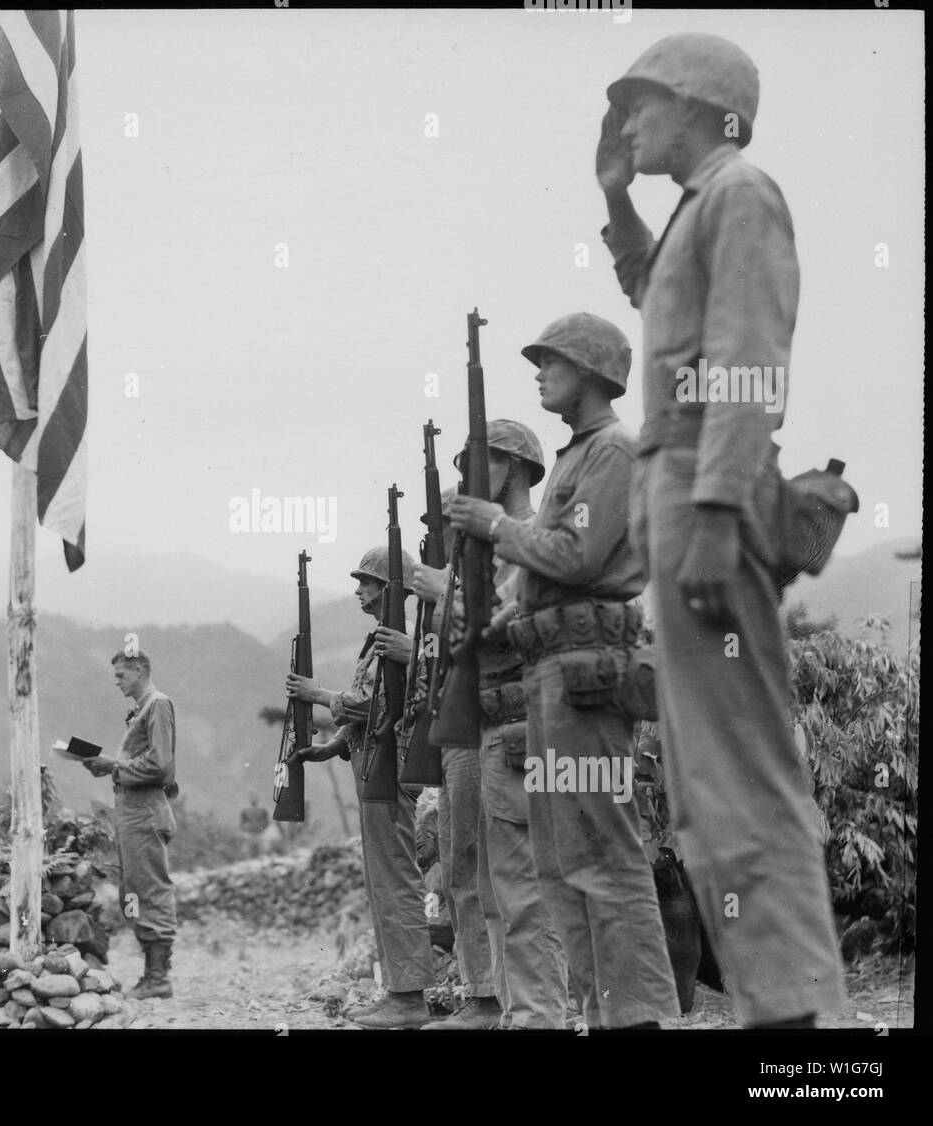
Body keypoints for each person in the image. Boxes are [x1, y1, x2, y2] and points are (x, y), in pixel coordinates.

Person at [596, 32, 845, 1027]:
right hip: (684, 489)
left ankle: (797, 1022)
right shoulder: (700, 210)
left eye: (640, 104)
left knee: (742, 771)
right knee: (711, 779)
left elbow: (748, 362)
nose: (626, 123)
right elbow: (662, 305)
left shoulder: (741, 192)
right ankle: (778, 1013)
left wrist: (708, 514)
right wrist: (615, 199)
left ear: (700, 102)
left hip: (708, 491)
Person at [450, 313, 680, 1029]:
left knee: (602, 849)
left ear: (591, 372)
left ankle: (636, 1016)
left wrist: (495, 525)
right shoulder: (581, 453)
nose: (540, 371)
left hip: (586, 677)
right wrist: (495, 613)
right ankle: (598, 1009)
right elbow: (549, 568)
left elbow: (576, 559)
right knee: (557, 858)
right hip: (552, 672)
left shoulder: (613, 449)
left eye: (552, 361)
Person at [415, 421, 569, 1030]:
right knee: (496, 883)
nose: (466, 476)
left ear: (515, 466)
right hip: (491, 721)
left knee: (525, 890)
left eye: (479, 462)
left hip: (522, 723)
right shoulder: (496, 544)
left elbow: (500, 622)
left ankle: (537, 1014)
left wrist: (443, 588)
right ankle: (516, 1010)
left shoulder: (530, 537)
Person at [286, 545, 436, 1029]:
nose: (358, 591)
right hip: (373, 766)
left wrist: (319, 695)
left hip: (391, 771)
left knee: (395, 882)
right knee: (383, 883)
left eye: (367, 582)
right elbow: (372, 711)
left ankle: (409, 997)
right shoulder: (380, 642)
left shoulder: (406, 642)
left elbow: (374, 703)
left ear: (391, 590)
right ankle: (400, 991)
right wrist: (333, 747)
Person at [82, 650, 178, 1000]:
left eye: (122, 675)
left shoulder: (158, 705)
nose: (117, 681)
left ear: (140, 670)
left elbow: (161, 766)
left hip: (145, 812)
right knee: (134, 890)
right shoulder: (142, 709)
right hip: (132, 811)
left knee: (150, 888)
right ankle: (152, 975)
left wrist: (114, 767)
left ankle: (158, 977)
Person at [238, 795, 270, 860]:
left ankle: (259, 862)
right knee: (251, 850)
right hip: (251, 833)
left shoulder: (261, 810)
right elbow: (242, 822)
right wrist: (245, 829)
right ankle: (252, 862)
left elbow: (266, 821)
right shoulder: (246, 811)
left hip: (259, 833)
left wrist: (263, 828)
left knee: (260, 850)